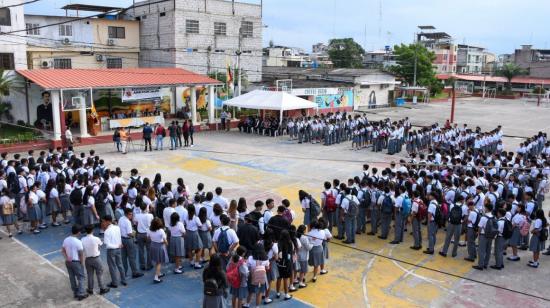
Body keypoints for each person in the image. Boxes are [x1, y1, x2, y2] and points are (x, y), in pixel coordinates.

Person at [61, 224, 88, 301]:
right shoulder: (78, 242)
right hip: (76, 262)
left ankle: (75, 293)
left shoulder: (66, 239)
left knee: (72, 277)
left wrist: (67, 258)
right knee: (81, 277)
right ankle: (81, 293)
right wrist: (82, 263)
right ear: (78, 232)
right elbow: (81, 254)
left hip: (68, 262)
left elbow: (62, 251)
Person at [81, 224, 109, 295]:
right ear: (92, 230)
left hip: (88, 259)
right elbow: (99, 246)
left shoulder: (82, 240)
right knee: (99, 273)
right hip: (96, 258)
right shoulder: (96, 239)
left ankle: (90, 289)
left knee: (90, 274)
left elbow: (82, 249)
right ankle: (102, 288)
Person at [102, 215, 127, 288]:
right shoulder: (117, 227)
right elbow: (119, 237)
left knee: (112, 266)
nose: (103, 223)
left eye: (104, 221)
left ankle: (114, 282)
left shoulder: (107, 231)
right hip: (118, 248)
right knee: (120, 264)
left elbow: (107, 244)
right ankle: (124, 280)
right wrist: (119, 244)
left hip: (111, 250)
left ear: (107, 221)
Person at [119, 208, 143, 278]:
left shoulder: (121, 219)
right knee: (132, 257)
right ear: (127, 214)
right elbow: (129, 233)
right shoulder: (127, 222)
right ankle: (134, 272)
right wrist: (134, 234)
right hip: (128, 240)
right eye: (130, 214)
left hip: (122, 239)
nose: (131, 216)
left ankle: (124, 273)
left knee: (124, 257)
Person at [148, 217, 169, 283]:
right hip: (159, 247)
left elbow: (148, 238)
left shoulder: (149, 230)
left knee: (156, 261)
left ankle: (158, 273)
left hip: (152, 245)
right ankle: (156, 277)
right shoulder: (161, 231)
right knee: (159, 262)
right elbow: (166, 242)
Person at [275, 230, 294, 301]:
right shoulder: (290, 243)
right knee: (286, 279)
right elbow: (291, 252)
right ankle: (286, 294)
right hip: (287, 263)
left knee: (279, 278)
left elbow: (278, 253)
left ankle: (277, 293)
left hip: (279, 263)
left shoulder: (278, 243)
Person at [135, 202, 153, 271]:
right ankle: (149, 264)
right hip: (148, 234)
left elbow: (136, 223)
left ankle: (142, 265)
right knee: (149, 250)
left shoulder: (137, 215)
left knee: (141, 250)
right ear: (146, 207)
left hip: (140, 234)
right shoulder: (150, 215)